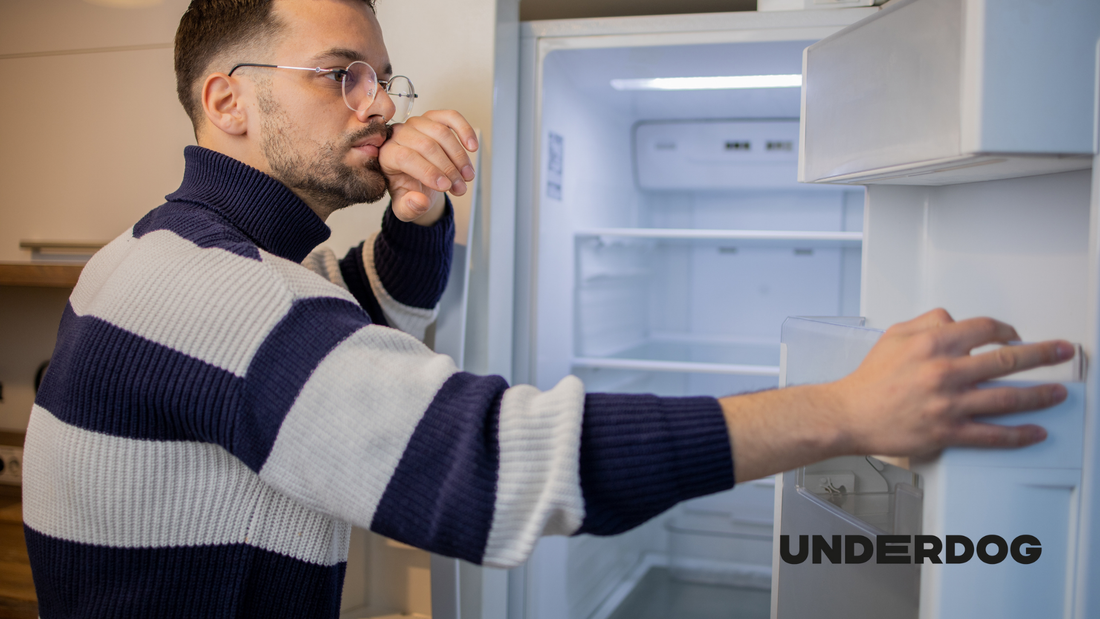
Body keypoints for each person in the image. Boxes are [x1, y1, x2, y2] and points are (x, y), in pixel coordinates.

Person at [21, 0, 1074, 617]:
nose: (382, 106)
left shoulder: (198, 260)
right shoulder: (206, 291)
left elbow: (357, 325)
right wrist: (843, 411)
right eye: (342, 76)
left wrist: (418, 211)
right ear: (228, 101)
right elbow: (486, 464)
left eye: (382, 78)